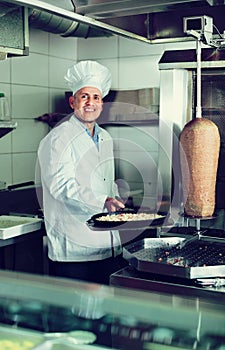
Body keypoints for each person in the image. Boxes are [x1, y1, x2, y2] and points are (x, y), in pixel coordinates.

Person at [37, 60, 127, 285]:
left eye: (96, 97)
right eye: (84, 96)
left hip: (107, 245)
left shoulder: (105, 137)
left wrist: (116, 201)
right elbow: (60, 185)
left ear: (102, 103)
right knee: (78, 315)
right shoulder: (59, 138)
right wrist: (102, 201)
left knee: (105, 311)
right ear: (72, 101)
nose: (90, 103)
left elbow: (107, 182)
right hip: (75, 249)